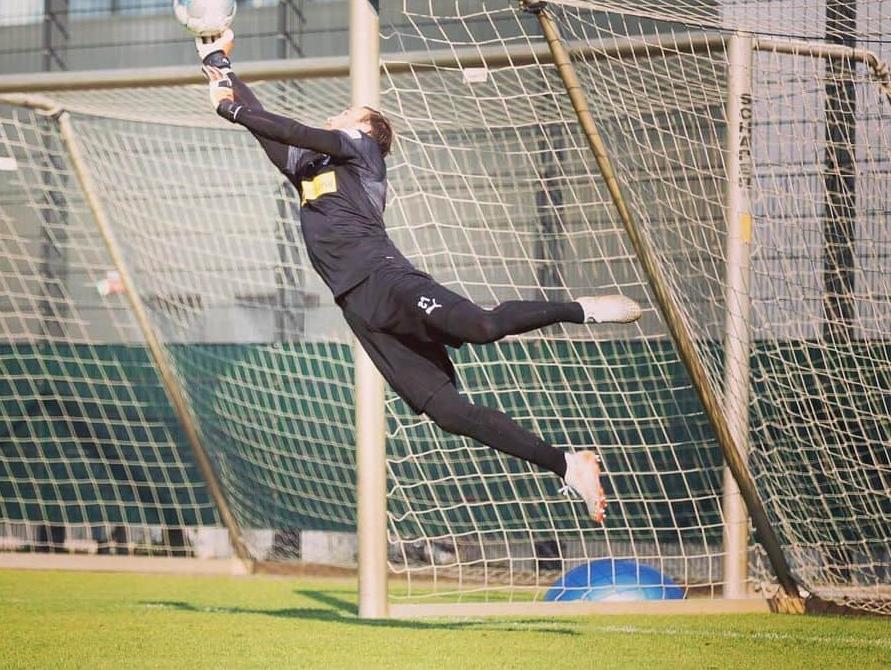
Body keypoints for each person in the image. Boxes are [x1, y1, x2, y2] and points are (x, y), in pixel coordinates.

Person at [197, 29, 642, 524]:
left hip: (388, 280)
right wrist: (218, 63)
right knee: (448, 413)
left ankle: (582, 311)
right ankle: (566, 464)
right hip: (358, 308)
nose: (333, 117)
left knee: (483, 328)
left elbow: (294, 131)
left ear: (365, 130)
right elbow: (271, 132)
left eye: (344, 114)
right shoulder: (309, 168)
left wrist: (229, 108)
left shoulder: (363, 154)